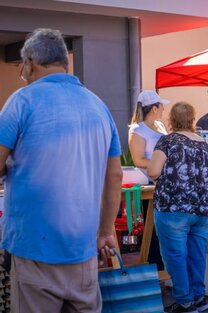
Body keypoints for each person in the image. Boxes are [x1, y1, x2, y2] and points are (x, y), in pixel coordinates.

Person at [0, 28, 122, 313]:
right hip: (83, 251)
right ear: (64, 64)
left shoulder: (22, 100)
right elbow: (114, 175)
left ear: (30, 64)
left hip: (34, 251)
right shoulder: (99, 105)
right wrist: (105, 231)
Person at [148, 102, 208, 313]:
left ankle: (184, 302)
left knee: (175, 256)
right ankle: (199, 299)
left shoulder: (168, 141)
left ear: (171, 120)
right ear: (192, 120)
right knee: (197, 255)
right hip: (203, 209)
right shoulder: (204, 144)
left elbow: (153, 171)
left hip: (173, 208)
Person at [128, 90, 169, 270]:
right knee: (153, 231)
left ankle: (164, 268)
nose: (163, 109)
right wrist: (160, 165)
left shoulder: (160, 126)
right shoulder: (137, 130)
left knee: (164, 228)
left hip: (164, 183)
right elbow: (138, 160)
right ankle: (155, 269)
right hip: (150, 185)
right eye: (161, 106)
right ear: (154, 108)